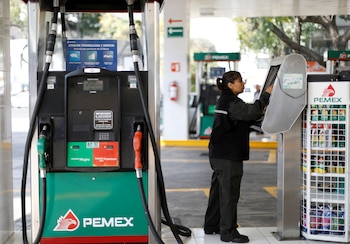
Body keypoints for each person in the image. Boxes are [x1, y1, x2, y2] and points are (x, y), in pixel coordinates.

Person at [203, 71, 273, 243]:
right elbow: (250, 113)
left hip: (219, 153)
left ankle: (212, 225)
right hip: (228, 155)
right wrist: (266, 95)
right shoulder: (232, 102)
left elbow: (245, 117)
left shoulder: (225, 100)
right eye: (240, 81)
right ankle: (228, 232)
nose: (243, 83)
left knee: (219, 191)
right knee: (229, 193)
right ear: (230, 85)